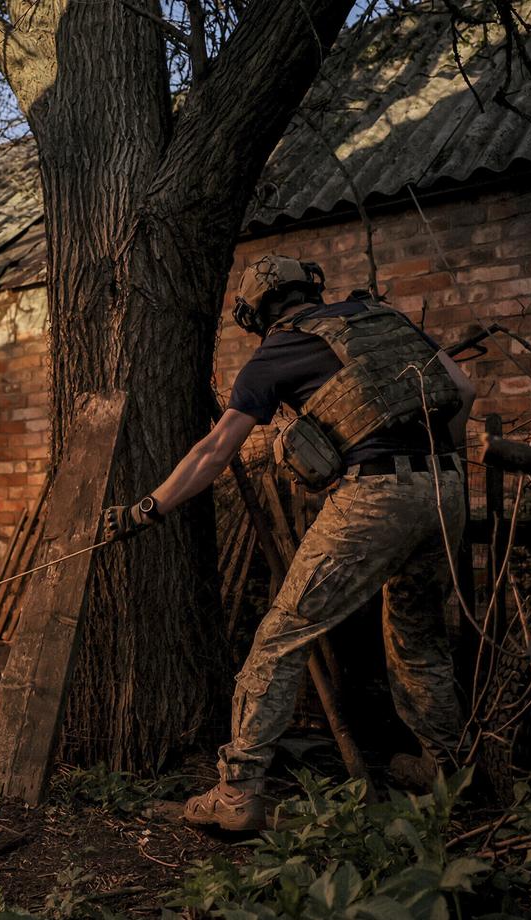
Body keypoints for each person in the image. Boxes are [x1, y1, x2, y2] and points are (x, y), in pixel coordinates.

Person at [101, 255, 477, 832]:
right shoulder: (384, 319)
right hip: (448, 489)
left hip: (376, 496)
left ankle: (236, 791)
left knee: (281, 638)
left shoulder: (274, 354)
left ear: (256, 313)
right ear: (312, 290)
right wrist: (435, 464)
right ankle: (449, 771)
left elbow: (213, 452)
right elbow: (462, 387)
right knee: (419, 635)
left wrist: (149, 507)